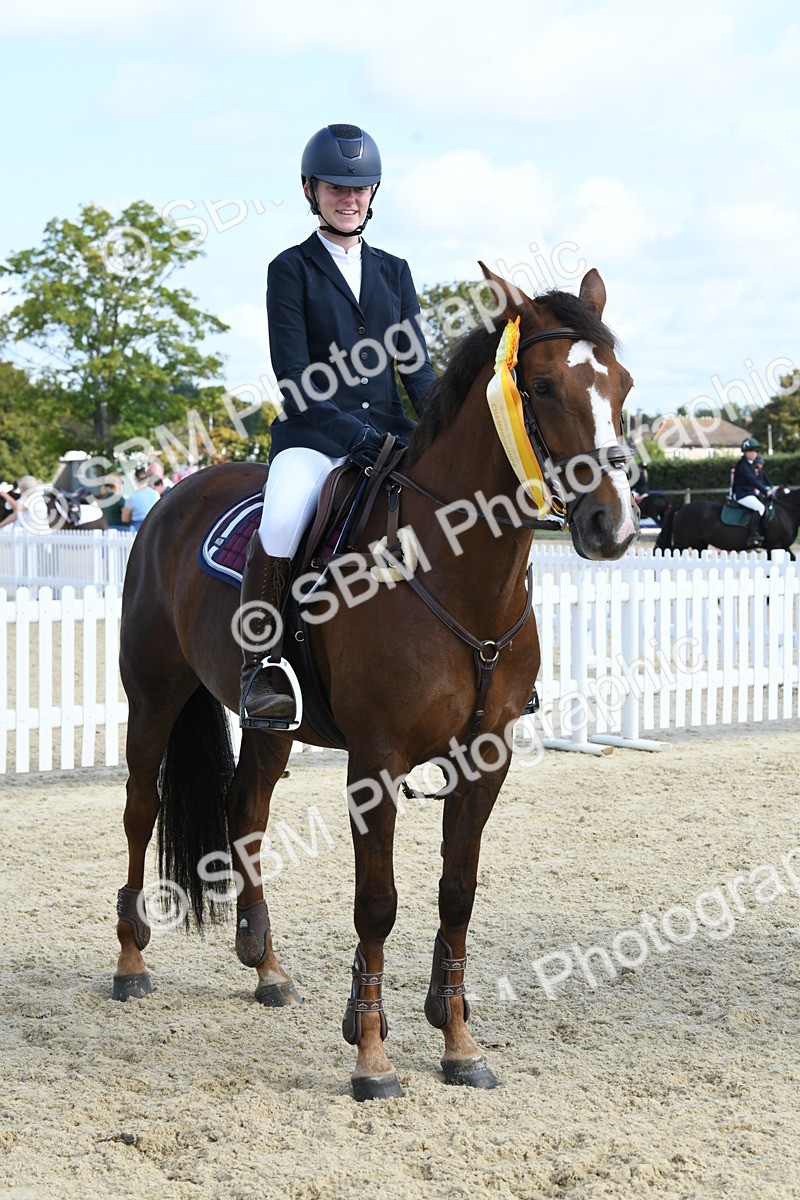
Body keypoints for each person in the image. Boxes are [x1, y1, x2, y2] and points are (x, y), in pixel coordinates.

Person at [239, 122, 435, 728]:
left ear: (374, 194)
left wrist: (443, 424)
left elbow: (417, 369)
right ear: (310, 190)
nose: (347, 199)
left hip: (391, 434)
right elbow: (295, 378)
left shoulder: (395, 271)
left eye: (359, 188)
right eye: (334, 188)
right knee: (283, 514)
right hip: (314, 437)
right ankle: (263, 665)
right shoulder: (289, 269)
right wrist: (352, 435)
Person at [731, 437, 774, 548]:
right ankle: (752, 535)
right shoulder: (743, 465)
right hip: (742, 494)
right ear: (745, 452)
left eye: (755, 451)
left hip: (749, 493)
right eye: (751, 451)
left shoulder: (750, 464)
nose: (754, 453)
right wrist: (766, 491)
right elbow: (752, 480)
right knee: (760, 508)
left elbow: (757, 481)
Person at [121, 468, 160, 533]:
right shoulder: (156, 494)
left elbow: (125, 518)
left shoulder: (133, 496)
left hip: (137, 528)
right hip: (153, 527)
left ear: (135, 480)